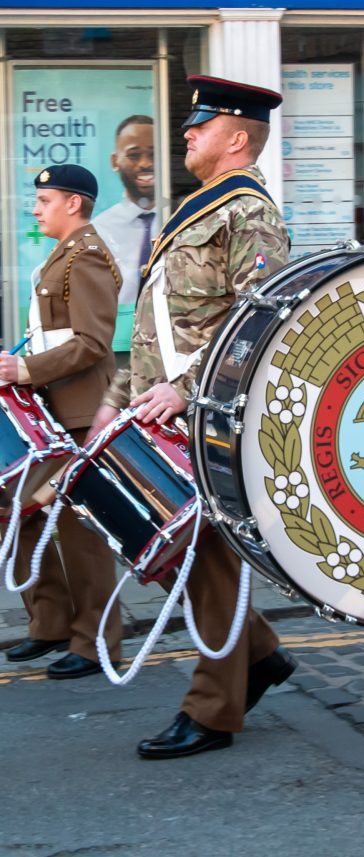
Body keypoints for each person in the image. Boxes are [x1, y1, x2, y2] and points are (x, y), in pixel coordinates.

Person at [91, 75, 295, 759]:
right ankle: (258, 655)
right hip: (168, 414)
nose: (185, 134)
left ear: (237, 138)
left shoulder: (248, 216)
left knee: (207, 559)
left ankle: (213, 709)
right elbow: (159, 328)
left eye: (200, 126)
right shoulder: (200, 211)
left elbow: (262, 320)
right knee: (181, 553)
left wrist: (184, 387)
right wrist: (117, 400)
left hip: (209, 415)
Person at [2, 164, 122, 679]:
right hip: (50, 414)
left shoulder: (87, 257)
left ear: (73, 203)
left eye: (44, 200)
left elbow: (92, 342)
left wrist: (26, 368)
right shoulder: (64, 257)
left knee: (80, 534)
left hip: (78, 416)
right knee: (21, 515)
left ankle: (96, 643)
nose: (35, 208)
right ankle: (50, 623)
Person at [92, 115, 157, 363]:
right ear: (114, 161)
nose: (145, 163)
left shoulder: (178, 222)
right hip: (116, 347)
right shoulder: (100, 229)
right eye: (133, 154)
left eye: (153, 153)